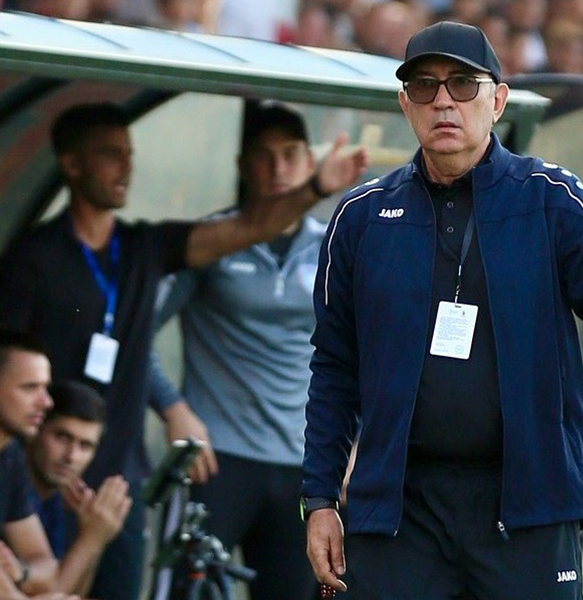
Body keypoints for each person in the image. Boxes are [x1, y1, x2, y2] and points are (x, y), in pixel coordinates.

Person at [302, 21, 583, 599]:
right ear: (404, 105)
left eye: (462, 84)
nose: (443, 101)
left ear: (497, 101)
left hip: (526, 505)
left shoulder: (552, 199)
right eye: (424, 86)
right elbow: (333, 369)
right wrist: (320, 498)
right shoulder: (361, 217)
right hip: (402, 511)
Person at [0, 102, 367, 600]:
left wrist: (316, 190)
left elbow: (249, 229)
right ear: (71, 163)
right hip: (55, 474)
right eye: (109, 154)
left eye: (128, 154)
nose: (126, 166)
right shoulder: (32, 257)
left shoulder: (143, 248)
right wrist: (174, 408)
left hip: (124, 481)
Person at [147, 104, 322, 600]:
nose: (278, 169)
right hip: (216, 460)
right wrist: (174, 410)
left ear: (311, 163)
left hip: (304, 465)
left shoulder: (336, 245)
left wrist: (352, 444)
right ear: (243, 167)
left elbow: (366, 353)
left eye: (291, 154)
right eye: (263, 156)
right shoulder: (211, 243)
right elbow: (134, 334)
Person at [26, 380, 131, 596]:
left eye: (85, 446)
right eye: (62, 437)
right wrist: (91, 539)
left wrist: (93, 538)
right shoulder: (13, 488)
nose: (71, 457)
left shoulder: (55, 500)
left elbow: (73, 594)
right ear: (36, 430)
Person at [0, 330, 58, 598]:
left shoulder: (9, 455)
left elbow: (47, 568)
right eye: (29, 388)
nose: (46, 402)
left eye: (45, 388)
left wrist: (21, 571)